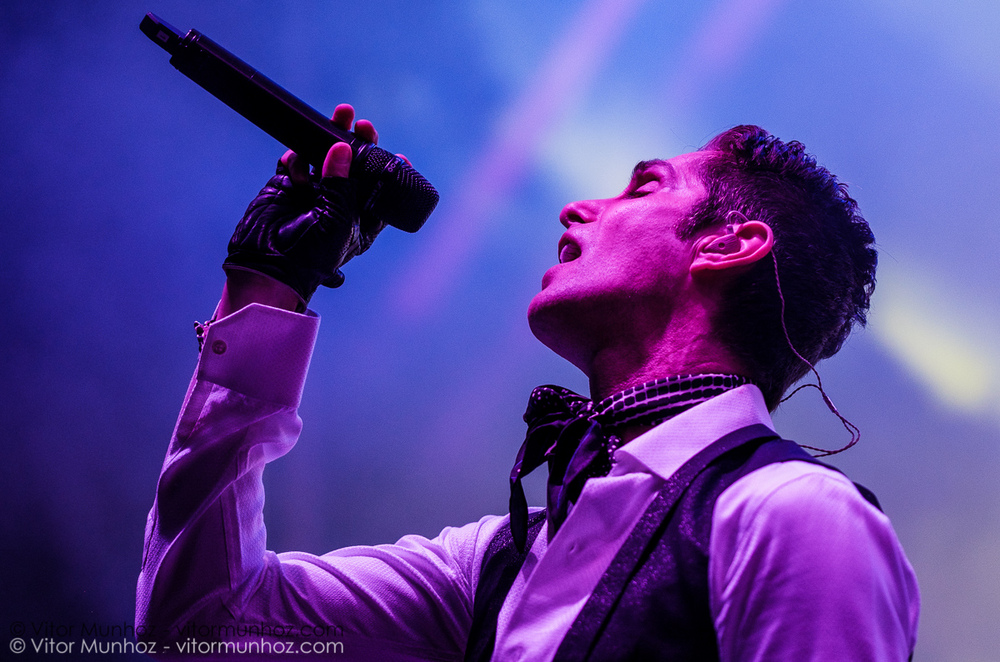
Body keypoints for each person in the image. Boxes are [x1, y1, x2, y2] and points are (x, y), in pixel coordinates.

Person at [136, 104, 920, 660]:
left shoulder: (791, 515)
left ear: (728, 246)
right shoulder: (502, 561)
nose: (580, 207)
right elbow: (199, 620)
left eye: (644, 186)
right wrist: (267, 291)